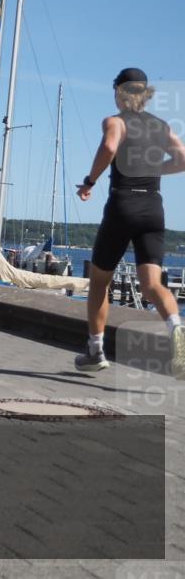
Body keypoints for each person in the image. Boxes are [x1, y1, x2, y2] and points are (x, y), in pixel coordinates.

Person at [75, 68, 185, 378]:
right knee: (151, 285)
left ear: (119, 93)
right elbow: (183, 158)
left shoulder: (116, 122)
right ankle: (178, 336)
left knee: (99, 281)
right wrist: (153, 168)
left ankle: (95, 350)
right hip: (153, 208)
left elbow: (109, 147)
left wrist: (89, 181)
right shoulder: (160, 126)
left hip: (123, 206)